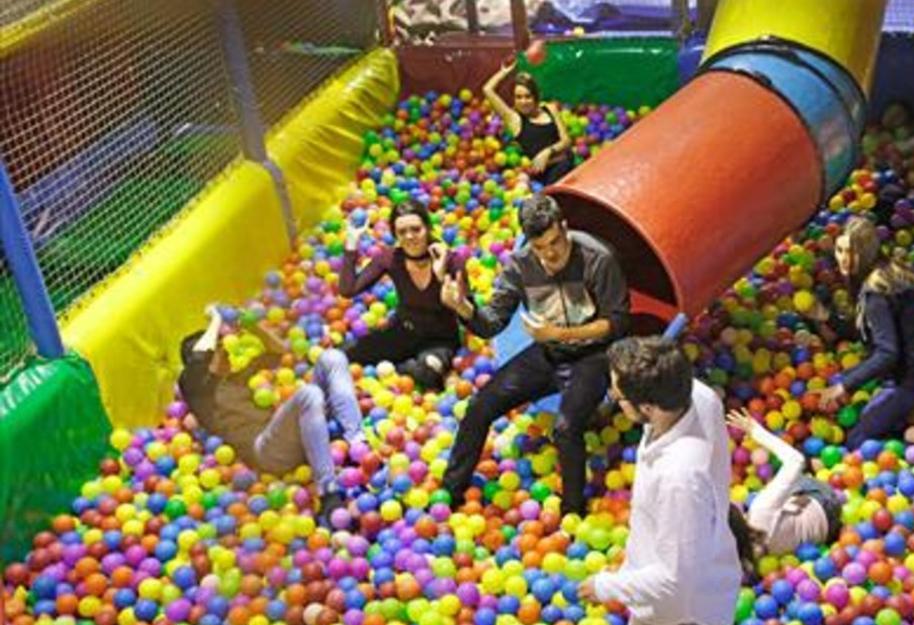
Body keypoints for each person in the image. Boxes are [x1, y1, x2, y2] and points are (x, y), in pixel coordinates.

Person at [439, 194, 630, 514]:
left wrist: (562, 334)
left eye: (556, 242)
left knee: (566, 429)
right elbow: (492, 323)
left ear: (565, 227)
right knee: (479, 406)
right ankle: (450, 491)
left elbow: (618, 323)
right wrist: (464, 308)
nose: (550, 254)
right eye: (540, 247)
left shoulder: (598, 259)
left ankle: (573, 512)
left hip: (592, 356)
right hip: (547, 352)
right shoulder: (520, 265)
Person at [578, 337, 741, 625]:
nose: (614, 402)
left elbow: (674, 580)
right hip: (657, 590)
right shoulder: (692, 395)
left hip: (684, 616)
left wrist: (606, 586)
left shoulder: (679, 479)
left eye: (618, 397)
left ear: (648, 407)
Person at [177, 307, 363, 525]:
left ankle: (359, 444)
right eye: (217, 347)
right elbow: (200, 358)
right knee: (309, 395)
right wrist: (217, 320)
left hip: (296, 433)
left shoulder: (240, 375)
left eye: (223, 345)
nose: (224, 350)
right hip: (265, 450)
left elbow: (280, 351)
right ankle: (328, 493)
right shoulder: (198, 390)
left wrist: (252, 326)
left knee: (333, 359)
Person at [818, 216, 914, 449]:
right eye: (839, 250)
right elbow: (871, 331)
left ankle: (910, 445)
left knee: (856, 440)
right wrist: (827, 318)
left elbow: (887, 352)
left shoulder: (876, 291)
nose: (844, 259)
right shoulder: (888, 271)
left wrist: (844, 386)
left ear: (865, 253)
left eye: (852, 252)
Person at [338, 201, 462, 388]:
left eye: (416, 229)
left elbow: (469, 309)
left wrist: (442, 275)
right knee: (343, 354)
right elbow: (348, 290)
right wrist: (351, 243)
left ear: (427, 228)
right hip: (402, 331)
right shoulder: (390, 258)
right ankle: (401, 361)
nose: (410, 236)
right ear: (394, 234)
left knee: (427, 374)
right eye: (402, 232)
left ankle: (409, 364)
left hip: (438, 340)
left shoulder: (450, 260)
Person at [724, 409, 842, 575]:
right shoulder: (761, 509)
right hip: (827, 505)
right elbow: (796, 461)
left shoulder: (737, 562)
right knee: (786, 480)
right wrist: (756, 432)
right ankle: (814, 466)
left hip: (821, 537)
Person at [483, 60, 573, 184]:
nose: (523, 101)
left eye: (527, 96)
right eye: (518, 97)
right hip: (546, 174)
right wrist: (504, 72)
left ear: (535, 96)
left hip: (567, 162)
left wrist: (547, 152)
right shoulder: (514, 119)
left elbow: (566, 141)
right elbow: (487, 90)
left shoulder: (549, 108)